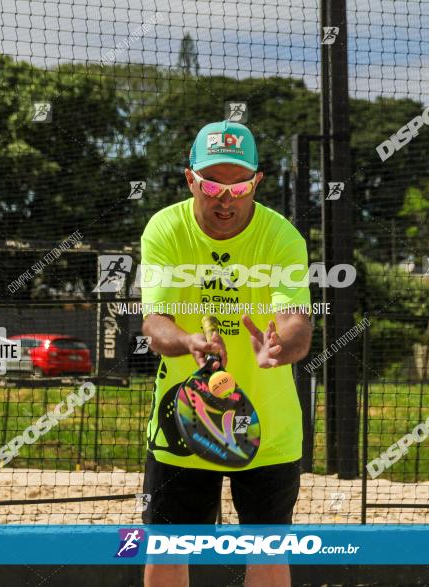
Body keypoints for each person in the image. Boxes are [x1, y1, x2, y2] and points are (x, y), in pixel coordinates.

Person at [140, 120, 313, 587]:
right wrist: (189, 341)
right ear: (191, 179)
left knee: (267, 554)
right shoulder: (165, 229)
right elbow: (154, 324)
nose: (226, 197)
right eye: (213, 183)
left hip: (266, 427)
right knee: (169, 549)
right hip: (185, 423)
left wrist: (282, 345)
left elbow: (298, 319)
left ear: (256, 181)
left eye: (238, 184)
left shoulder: (282, 238)